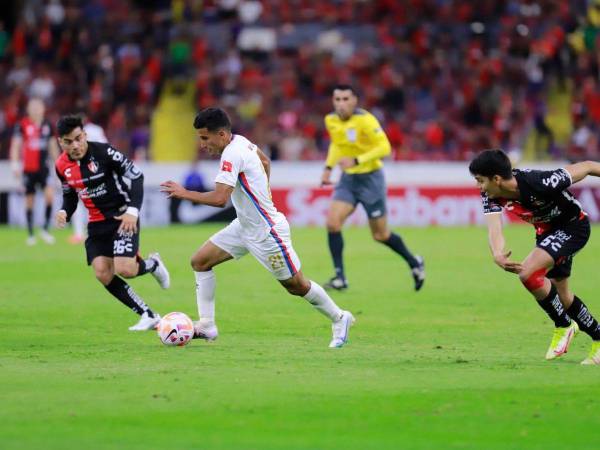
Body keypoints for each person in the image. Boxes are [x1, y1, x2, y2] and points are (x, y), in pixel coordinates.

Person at [160, 107, 354, 348]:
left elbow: (221, 199)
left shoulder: (231, 154)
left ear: (221, 135)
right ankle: (207, 325)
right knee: (200, 261)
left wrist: (184, 192)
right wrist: (262, 190)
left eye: (204, 138)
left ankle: (339, 317)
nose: (202, 144)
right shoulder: (240, 141)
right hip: (244, 226)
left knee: (296, 286)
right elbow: (265, 160)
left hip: (266, 233)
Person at [469, 149, 600, 364]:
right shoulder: (491, 193)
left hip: (573, 227)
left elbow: (586, 166)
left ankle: (564, 325)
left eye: (480, 180)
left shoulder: (540, 181)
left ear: (497, 179)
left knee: (528, 272)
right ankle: (598, 337)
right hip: (546, 233)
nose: (478, 186)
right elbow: (495, 229)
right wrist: (497, 254)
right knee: (562, 296)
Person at [54, 115, 170, 331]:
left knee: (126, 269)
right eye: (69, 142)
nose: (75, 145)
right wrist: (63, 211)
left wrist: (133, 212)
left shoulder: (105, 153)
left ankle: (153, 264)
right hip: (97, 224)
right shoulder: (61, 166)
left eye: (78, 138)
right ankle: (148, 314)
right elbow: (70, 196)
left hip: (121, 216)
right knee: (102, 272)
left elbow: (137, 177)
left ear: (85, 135)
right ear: (61, 142)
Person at [321, 84, 425, 291]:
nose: (341, 104)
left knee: (380, 235)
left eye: (345, 99)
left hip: (371, 180)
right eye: (337, 99)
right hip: (348, 180)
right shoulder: (330, 120)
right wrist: (328, 168)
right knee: (333, 223)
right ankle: (340, 277)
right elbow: (337, 145)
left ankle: (414, 261)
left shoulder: (365, 120)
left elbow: (384, 147)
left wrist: (358, 160)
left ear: (354, 101)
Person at [9, 97, 59, 245]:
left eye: (39, 106)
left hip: (43, 169)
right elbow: (16, 145)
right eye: (33, 107)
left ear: (43, 109)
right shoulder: (22, 125)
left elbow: (52, 147)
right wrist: (15, 164)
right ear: (28, 109)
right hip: (28, 170)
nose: (36, 109)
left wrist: (58, 165)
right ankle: (31, 234)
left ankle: (45, 230)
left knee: (50, 196)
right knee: (29, 200)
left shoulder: (47, 125)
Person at [68, 114, 110, 244]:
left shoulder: (74, 134)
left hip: (84, 171)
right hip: (97, 169)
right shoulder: (96, 129)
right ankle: (104, 230)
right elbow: (105, 147)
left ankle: (79, 234)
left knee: (79, 202)